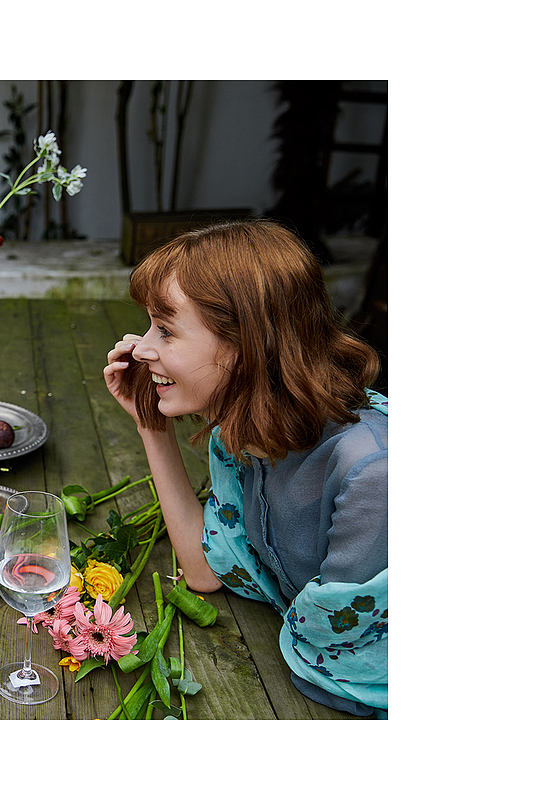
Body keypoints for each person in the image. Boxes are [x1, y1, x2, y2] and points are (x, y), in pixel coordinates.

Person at [103, 219, 387, 717]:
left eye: (166, 329)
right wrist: (151, 425)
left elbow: (342, 662)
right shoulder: (247, 434)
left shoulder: (373, 473)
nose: (141, 347)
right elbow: (207, 570)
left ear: (248, 345)